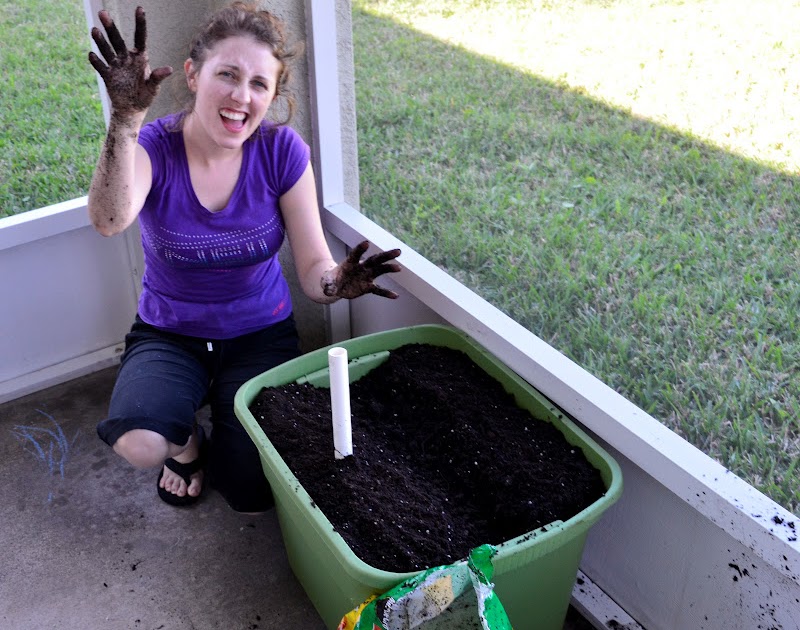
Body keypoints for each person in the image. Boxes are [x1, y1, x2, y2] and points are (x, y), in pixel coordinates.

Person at [87, 2, 401, 512]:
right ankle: (187, 441)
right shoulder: (153, 146)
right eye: (227, 75)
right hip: (171, 333)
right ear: (192, 75)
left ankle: (220, 419)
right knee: (142, 443)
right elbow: (108, 219)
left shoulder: (282, 153)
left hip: (260, 335)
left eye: (259, 83)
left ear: (273, 95)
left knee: (251, 494)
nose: (241, 95)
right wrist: (124, 119)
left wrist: (336, 283)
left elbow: (313, 267)